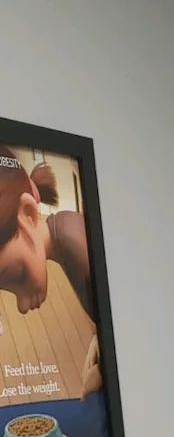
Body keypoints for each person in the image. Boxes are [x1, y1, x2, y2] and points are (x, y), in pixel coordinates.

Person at [0, 147, 101, 397]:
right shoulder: (65, 238)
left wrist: (105, 373)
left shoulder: (77, 247)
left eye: (18, 275)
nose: (23, 306)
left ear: (28, 214)